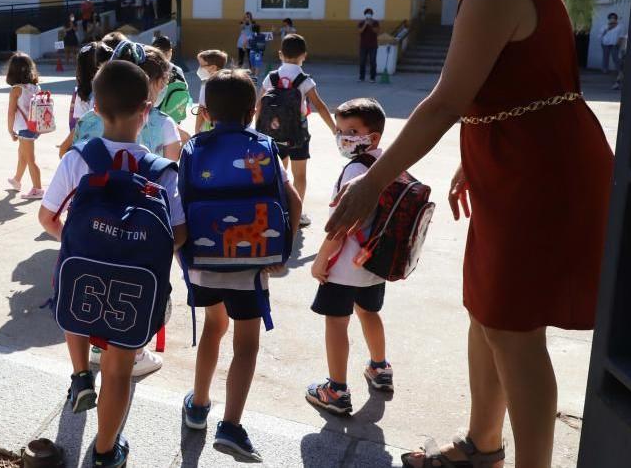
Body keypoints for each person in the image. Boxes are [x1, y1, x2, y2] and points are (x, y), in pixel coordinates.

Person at [327, 0, 612, 468]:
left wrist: (372, 183)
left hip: (539, 174)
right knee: (487, 311)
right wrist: (471, 156)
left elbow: (441, 103)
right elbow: (514, 89)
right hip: (515, 165)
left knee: (514, 328)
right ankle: (483, 444)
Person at [39, 60, 187, 467]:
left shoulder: (77, 159)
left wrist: (78, 239)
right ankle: (106, 452)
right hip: (133, 291)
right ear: (147, 110)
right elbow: (178, 233)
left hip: (83, 275)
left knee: (77, 315)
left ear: (95, 110)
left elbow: (47, 218)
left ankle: (80, 375)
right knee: (120, 371)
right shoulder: (161, 173)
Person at [181, 69, 301, 461]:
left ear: (205, 111)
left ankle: (198, 405)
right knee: (246, 344)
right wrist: (279, 253)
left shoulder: (192, 149)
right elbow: (293, 200)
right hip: (251, 266)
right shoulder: (264, 145)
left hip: (203, 261)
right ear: (253, 111)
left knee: (213, 329)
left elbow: (178, 205)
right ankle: (231, 425)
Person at [306, 98, 391, 418]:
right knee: (370, 312)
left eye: (353, 131)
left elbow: (340, 226)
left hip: (343, 267)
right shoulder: (386, 162)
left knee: (337, 323)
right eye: (340, 131)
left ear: (374, 136)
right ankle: (380, 368)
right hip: (374, 264)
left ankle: (336, 390)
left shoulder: (354, 170)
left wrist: (320, 261)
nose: (344, 137)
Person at [257, 34, 337, 226]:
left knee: (279, 172)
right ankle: (297, 213)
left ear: (280, 54)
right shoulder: (304, 80)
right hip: (298, 133)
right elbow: (319, 105)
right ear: (304, 55)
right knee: (299, 175)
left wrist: (257, 129)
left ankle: (278, 208)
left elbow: (259, 104)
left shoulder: (272, 77)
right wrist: (334, 129)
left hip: (273, 132)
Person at [60, 41, 115, 157]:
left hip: (89, 152)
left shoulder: (83, 94)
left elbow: (80, 124)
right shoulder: (115, 90)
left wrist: (65, 147)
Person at [4, 52, 45, 200]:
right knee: (22, 154)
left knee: (30, 159)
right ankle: (17, 180)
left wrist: (10, 130)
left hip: (24, 128)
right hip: (34, 126)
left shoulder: (16, 89)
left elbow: (11, 112)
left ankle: (38, 189)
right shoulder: (35, 87)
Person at [194, 49, 229, 135]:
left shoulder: (207, 84)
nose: (199, 69)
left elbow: (201, 108)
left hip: (208, 127)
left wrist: (196, 130)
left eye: (202, 65)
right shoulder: (228, 81)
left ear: (213, 67)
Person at [600, 12, 625, 79]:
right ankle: (605, 70)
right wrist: (608, 28)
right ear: (609, 18)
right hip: (605, 44)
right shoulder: (605, 26)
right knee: (605, 57)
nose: (612, 19)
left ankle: (620, 71)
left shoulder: (620, 26)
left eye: (613, 18)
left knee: (615, 58)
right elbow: (601, 34)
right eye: (611, 18)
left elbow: (621, 36)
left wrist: (618, 43)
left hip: (615, 44)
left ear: (616, 19)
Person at [358, 8, 381, 83]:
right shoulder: (361, 22)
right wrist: (365, 24)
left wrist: (370, 25)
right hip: (363, 46)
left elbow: (376, 31)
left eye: (370, 13)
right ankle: (361, 77)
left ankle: (372, 78)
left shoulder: (375, 22)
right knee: (362, 62)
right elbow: (360, 31)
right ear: (365, 14)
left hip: (373, 46)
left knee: (373, 62)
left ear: (372, 14)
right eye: (367, 13)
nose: (369, 14)